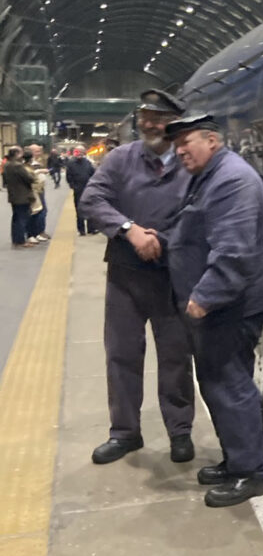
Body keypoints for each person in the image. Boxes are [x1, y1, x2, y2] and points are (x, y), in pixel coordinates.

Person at [79, 90, 196, 465]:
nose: (148, 124)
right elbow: (92, 200)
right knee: (121, 354)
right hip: (125, 276)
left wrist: (161, 240)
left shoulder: (190, 162)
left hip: (173, 276)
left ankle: (180, 431)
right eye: (144, 116)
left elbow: (201, 213)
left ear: (175, 123)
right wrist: (130, 230)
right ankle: (125, 433)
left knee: (176, 357)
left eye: (157, 118)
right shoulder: (121, 158)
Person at [164, 113, 263, 507]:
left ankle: (252, 474)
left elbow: (235, 251)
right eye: (176, 144)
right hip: (218, 308)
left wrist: (205, 297)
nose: (179, 150)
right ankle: (236, 460)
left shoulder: (231, 180)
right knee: (217, 385)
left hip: (228, 307)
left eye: (186, 142)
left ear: (212, 140)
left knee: (231, 387)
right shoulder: (209, 176)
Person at [4, 146, 37, 248]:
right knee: (22, 219)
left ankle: (16, 240)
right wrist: (34, 174)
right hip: (22, 196)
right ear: (17, 154)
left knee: (16, 218)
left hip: (13, 195)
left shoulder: (7, 165)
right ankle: (20, 241)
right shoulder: (18, 166)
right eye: (21, 152)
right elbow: (29, 178)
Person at [22, 149, 49, 243]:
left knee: (38, 212)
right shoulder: (26, 167)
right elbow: (30, 178)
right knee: (33, 213)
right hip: (32, 192)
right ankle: (31, 234)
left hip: (37, 190)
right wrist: (38, 171)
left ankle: (36, 233)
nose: (38, 153)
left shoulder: (30, 165)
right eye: (36, 151)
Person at [66, 149, 95, 234]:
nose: (79, 154)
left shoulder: (88, 163)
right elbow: (69, 176)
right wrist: (73, 186)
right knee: (79, 209)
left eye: (81, 152)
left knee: (90, 209)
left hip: (88, 189)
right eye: (78, 152)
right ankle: (81, 229)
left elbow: (93, 174)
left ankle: (91, 228)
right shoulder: (71, 164)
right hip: (78, 189)